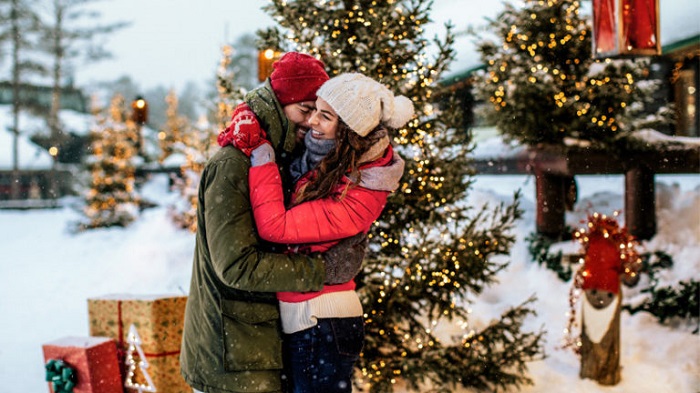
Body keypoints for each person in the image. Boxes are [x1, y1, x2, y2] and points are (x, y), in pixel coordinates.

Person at [180, 53, 369, 393]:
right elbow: (237, 266)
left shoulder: (276, 159)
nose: (312, 121)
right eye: (305, 108)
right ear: (280, 104)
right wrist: (321, 270)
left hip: (257, 346)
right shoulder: (233, 164)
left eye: (320, 111)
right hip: (234, 356)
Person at [231, 72, 414, 392]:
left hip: (322, 323)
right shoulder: (321, 161)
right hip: (307, 321)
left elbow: (276, 226)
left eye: (325, 115)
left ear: (348, 130)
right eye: (314, 109)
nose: (312, 121)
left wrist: (263, 159)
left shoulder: (361, 191)